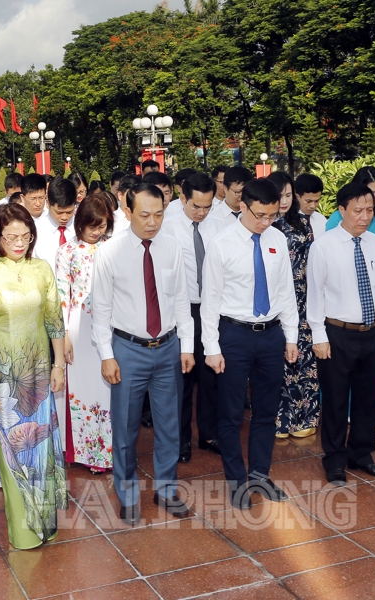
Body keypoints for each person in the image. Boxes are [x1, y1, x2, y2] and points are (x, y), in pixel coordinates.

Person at [91, 183, 195, 524]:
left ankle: (166, 490)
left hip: (167, 348)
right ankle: (128, 495)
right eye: (145, 215)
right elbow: (101, 308)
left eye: (159, 215)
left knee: (169, 426)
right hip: (127, 350)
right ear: (128, 211)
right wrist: (106, 354)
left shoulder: (172, 246)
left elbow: (180, 299)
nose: (153, 222)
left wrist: (187, 346)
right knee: (125, 429)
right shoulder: (110, 251)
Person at [0, 203, 68, 547]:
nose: (19, 243)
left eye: (25, 236)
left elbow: (55, 320)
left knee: (42, 445)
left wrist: (58, 364)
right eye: (11, 236)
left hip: (38, 373)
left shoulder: (42, 269)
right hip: (3, 377)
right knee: (13, 448)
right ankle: (24, 533)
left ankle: (47, 524)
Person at [201, 178, 298, 509]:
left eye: (272, 215)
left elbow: (286, 291)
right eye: (260, 215)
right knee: (230, 414)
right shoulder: (222, 244)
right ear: (243, 206)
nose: (266, 222)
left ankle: (260, 474)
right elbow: (210, 300)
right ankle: (237, 481)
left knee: (266, 411)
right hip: (234, 335)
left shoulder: (277, 239)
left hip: (270, 335)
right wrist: (211, 347)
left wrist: (291, 336)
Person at [307, 182, 375, 486]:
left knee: (369, 398)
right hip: (337, 333)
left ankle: (361, 453)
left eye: (369, 210)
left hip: (372, 331)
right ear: (341, 210)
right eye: (358, 210)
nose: (365, 216)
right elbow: (315, 294)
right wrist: (319, 335)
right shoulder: (323, 246)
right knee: (335, 399)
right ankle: (334, 459)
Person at [327, 166, 375, 420]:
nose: (374, 199)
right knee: (345, 368)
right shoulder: (336, 221)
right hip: (346, 309)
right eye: (370, 192)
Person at [161, 173, 223, 462]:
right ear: (182, 198)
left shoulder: (220, 227)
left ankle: (209, 434)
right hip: (181, 311)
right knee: (182, 378)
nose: (201, 212)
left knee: (211, 376)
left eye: (207, 206)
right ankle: (181, 439)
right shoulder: (168, 228)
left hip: (212, 310)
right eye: (196, 206)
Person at [54, 193, 114, 472]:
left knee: (108, 389)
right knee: (83, 389)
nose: (96, 231)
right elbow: (61, 295)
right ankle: (87, 452)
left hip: (110, 324)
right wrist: (64, 335)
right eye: (92, 225)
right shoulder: (67, 251)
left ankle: (110, 452)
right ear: (80, 222)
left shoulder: (112, 248)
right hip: (79, 325)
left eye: (101, 226)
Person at [268, 171, 320, 439]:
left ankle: (306, 417)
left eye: (289, 195)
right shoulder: (264, 225)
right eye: (280, 196)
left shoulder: (302, 222)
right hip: (275, 300)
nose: (285, 201)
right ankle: (280, 419)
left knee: (304, 359)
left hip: (302, 298)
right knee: (278, 362)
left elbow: (312, 261)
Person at [32, 177, 78, 270]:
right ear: (48, 203)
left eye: (69, 212)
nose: (64, 217)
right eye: (59, 212)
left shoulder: (82, 228)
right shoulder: (35, 230)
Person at [294, 173, 327, 239]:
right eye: (308, 201)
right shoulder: (287, 221)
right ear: (297, 197)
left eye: (316, 201)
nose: (313, 206)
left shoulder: (321, 220)